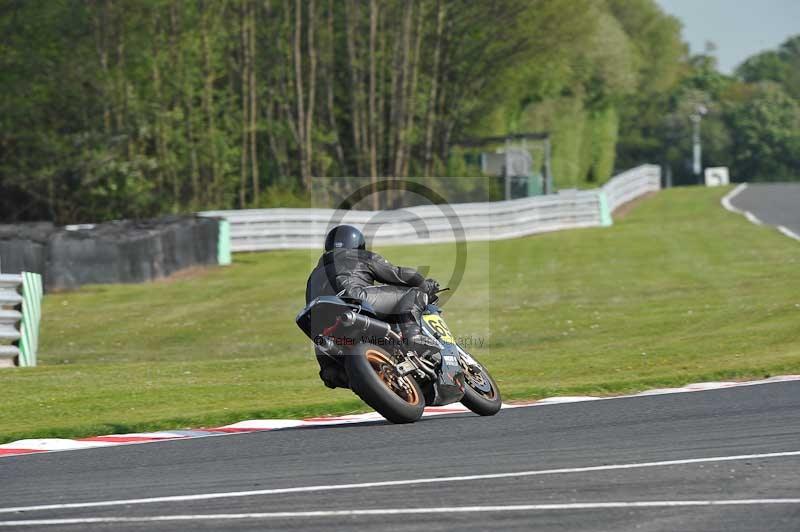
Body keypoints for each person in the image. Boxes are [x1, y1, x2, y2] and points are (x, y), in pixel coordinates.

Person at [306, 224, 440, 388]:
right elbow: (398, 274)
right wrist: (424, 284)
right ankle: (412, 334)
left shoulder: (313, 275)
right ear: (358, 244)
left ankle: (345, 374)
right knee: (413, 294)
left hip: (323, 323)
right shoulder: (359, 256)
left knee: (331, 373)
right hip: (355, 301)